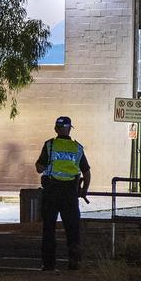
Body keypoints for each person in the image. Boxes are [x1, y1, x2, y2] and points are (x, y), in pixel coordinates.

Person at [35, 116, 91, 271]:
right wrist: (84, 190)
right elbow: (86, 172)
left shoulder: (49, 145)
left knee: (49, 229)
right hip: (70, 194)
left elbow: (39, 168)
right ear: (69, 128)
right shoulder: (77, 148)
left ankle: (48, 264)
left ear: (56, 129)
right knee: (73, 229)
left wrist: (42, 166)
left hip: (52, 192)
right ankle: (74, 262)